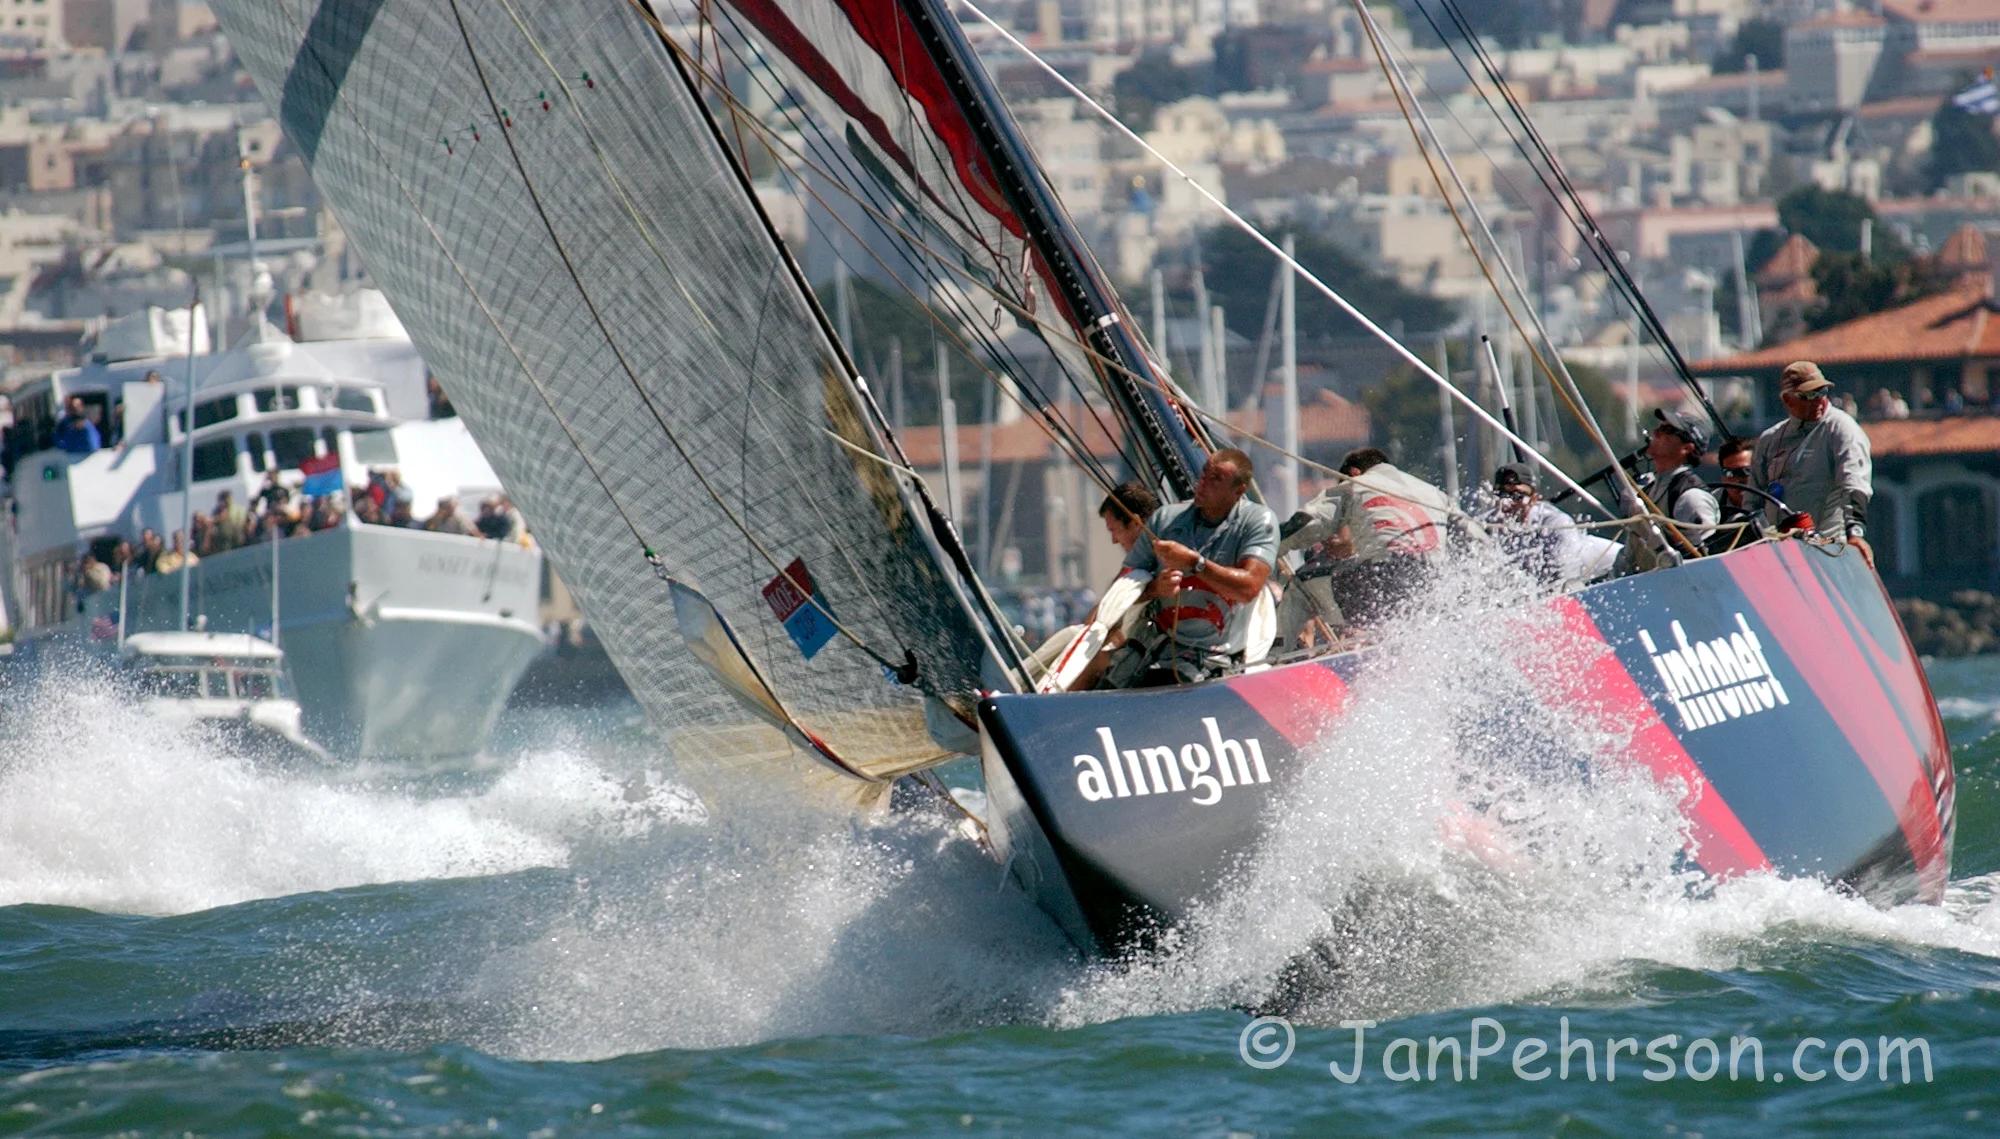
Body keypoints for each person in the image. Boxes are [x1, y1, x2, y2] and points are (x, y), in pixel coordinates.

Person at [1095, 450, 1277, 688]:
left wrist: (1195, 563)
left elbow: (1249, 588)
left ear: (1238, 491)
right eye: (1204, 475)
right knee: (1105, 687)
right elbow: (1121, 589)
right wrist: (1155, 589)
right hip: (1152, 644)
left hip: (1210, 656)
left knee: (1163, 684)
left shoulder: (1257, 521)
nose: (1203, 484)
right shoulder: (1165, 519)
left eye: (1216, 479)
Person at [1277, 446, 1454, 640]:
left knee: (1302, 584)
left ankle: (1275, 659)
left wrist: (1264, 547)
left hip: (1385, 579)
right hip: (1435, 588)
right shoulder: (1434, 493)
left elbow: (1306, 523)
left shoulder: (1355, 484)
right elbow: (1475, 537)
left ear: (1354, 472)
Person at [1027, 481, 1159, 688]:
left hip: (1147, 654)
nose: (1114, 540)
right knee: (1072, 636)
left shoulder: (1156, 566)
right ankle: (1021, 687)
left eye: (1114, 530)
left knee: (1096, 656)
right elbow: (1096, 619)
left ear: (1135, 523)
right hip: (1127, 648)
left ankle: (1046, 701)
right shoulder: (1135, 568)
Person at [1750, 360, 1874, 569]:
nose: (1819, 400)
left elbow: (1854, 486)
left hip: (1827, 552)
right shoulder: (1769, 440)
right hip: (1779, 556)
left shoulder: (1842, 430)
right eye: (1809, 395)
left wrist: (1856, 533)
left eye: (1822, 391)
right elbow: (1751, 500)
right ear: (1788, 400)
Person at [1480, 462, 1580, 584]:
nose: (1506, 502)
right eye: (1501, 494)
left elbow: (1566, 578)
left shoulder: (1556, 523)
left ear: (1533, 500)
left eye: (1517, 495)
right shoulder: (1485, 525)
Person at [1644, 407, 1718, 551]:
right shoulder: (1648, 488)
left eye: (1666, 430)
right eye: (1659, 427)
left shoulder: (1691, 498)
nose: (1655, 432)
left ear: (1686, 448)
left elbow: (1704, 561)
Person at [1706, 436, 1761, 556]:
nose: (1737, 480)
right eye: (1730, 473)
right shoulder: (1710, 505)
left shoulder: (1773, 501)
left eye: (1745, 472)